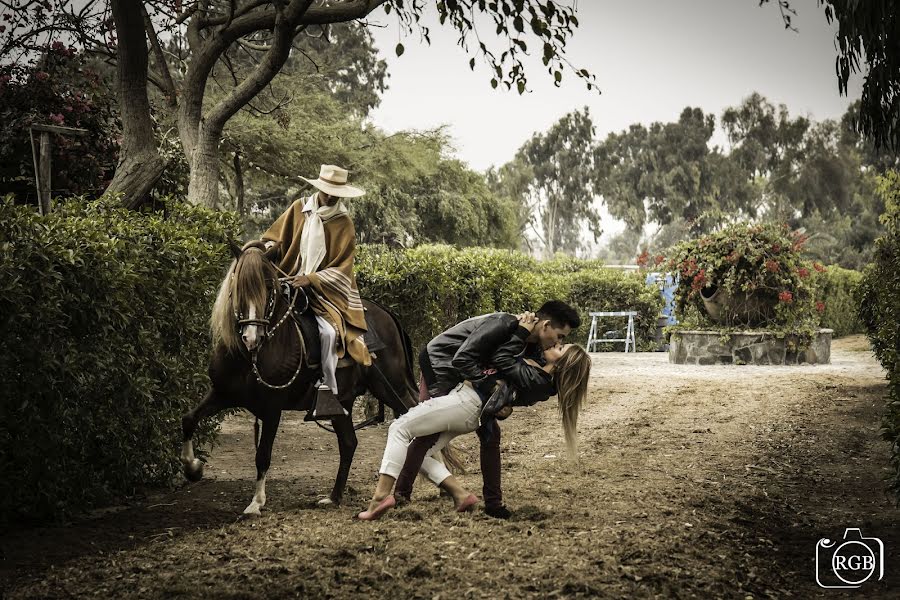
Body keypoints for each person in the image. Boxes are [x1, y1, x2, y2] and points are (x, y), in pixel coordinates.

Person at [358, 313, 592, 521]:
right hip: (470, 407)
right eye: (561, 338)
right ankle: (460, 495)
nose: (558, 343)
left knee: (399, 428)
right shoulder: (539, 371)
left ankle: (381, 497)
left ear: (560, 365)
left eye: (562, 346)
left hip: (466, 403)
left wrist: (520, 332)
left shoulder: (537, 379)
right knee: (419, 451)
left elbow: (502, 359)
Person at [261, 164, 369, 400]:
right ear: (318, 187)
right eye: (326, 190)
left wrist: (311, 279)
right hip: (286, 280)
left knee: (329, 334)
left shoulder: (344, 223)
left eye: (335, 193)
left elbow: (343, 269)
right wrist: (267, 250)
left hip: (322, 292)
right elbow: (273, 238)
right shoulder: (298, 209)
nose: (330, 196)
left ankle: (326, 388)